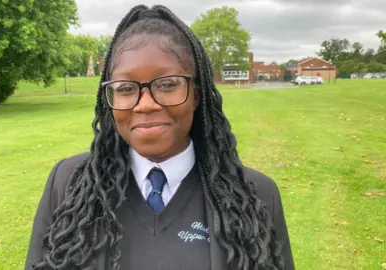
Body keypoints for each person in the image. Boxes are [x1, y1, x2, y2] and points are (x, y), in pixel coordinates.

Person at [25, 4, 294, 270]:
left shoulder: (256, 195)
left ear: (196, 94)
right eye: (126, 88)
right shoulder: (68, 184)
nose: (145, 104)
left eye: (167, 84)